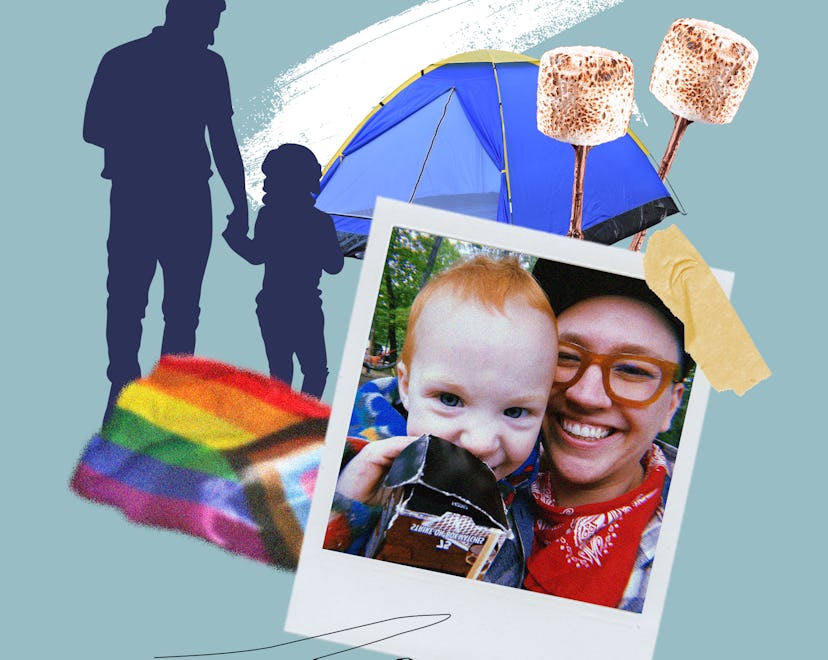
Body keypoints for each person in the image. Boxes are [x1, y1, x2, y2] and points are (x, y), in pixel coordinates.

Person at [324, 255, 559, 587]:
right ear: (406, 387)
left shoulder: (533, 485)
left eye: (516, 411)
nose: (479, 442)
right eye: (450, 400)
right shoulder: (346, 453)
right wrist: (347, 504)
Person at [83, 0, 248, 421]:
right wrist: (238, 204)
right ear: (186, 14)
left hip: (161, 196)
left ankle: (148, 390)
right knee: (149, 302)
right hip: (164, 195)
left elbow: (224, 139)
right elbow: (92, 127)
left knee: (146, 301)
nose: (214, 30)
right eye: (211, 20)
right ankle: (133, 388)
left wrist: (239, 201)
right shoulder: (134, 59)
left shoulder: (129, 58)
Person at [526, 258, 691, 612]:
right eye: (565, 356)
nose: (586, 395)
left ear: (670, 407)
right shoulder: (482, 464)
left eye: (631, 370)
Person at [223, 144, 344, 398]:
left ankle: (283, 423)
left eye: (270, 178)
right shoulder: (320, 221)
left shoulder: (269, 215)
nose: (265, 185)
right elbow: (335, 266)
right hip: (305, 307)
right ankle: (303, 423)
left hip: (273, 306)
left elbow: (256, 256)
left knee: (280, 373)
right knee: (315, 371)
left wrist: (233, 236)